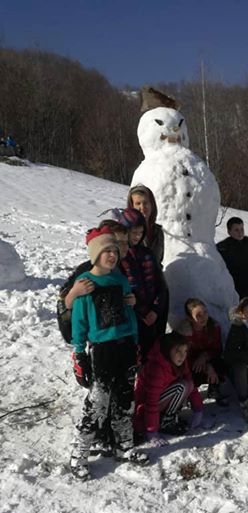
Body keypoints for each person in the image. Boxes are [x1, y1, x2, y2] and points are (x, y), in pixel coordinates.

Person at [69, 226, 149, 480]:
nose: (113, 255)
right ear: (95, 255)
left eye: (115, 251)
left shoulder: (120, 280)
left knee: (125, 398)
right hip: (102, 350)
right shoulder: (85, 283)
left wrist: (135, 341)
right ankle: (79, 454)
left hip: (125, 347)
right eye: (107, 251)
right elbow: (79, 322)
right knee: (97, 403)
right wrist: (79, 353)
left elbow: (128, 314)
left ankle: (124, 446)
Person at [112, 207, 169, 359]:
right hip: (132, 317)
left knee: (151, 355)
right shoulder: (119, 258)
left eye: (140, 232)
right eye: (133, 232)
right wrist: (139, 312)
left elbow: (160, 285)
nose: (137, 236)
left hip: (152, 316)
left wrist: (155, 310)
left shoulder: (147, 254)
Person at [134, 332, 204, 440]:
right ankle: (166, 420)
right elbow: (151, 402)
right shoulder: (156, 368)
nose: (182, 355)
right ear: (167, 351)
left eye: (185, 351)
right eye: (178, 351)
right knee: (181, 386)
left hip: (161, 400)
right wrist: (151, 431)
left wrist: (198, 409)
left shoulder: (181, 363)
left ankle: (166, 416)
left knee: (188, 384)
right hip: (144, 410)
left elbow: (192, 387)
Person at [175, 298, 229, 405]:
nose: (203, 317)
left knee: (221, 364)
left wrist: (205, 358)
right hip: (192, 365)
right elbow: (182, 358)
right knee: (190, 373)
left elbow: (217, 349)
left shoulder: (214, 327)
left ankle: (214, 388)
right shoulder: (183, 333)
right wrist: (200, 364)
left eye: (205, 312)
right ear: (190, 318)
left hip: (207, 361)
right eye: (198, 315)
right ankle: (189, 394)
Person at [216, 216, 248, 308]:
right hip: (240, 291)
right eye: (236, 230)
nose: (240, 232)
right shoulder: (223, 249)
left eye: (242, 229)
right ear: (229, 231)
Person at [127, 184, 165, 267]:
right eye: (138, 203)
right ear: (131, 206)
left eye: (145, 203)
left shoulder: (158, 232)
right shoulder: (126, 231)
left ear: (152, 205)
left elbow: (158, 262)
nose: (142, 207)